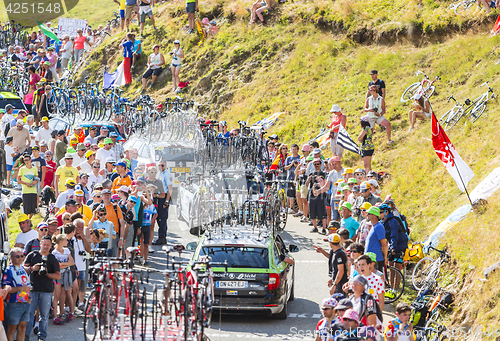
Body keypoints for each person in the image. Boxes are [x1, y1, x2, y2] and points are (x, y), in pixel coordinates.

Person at [24, 235, 61, 341]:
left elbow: (58, 275)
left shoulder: (52, 258)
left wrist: (47, 274)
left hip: (47, 290)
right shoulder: (32, 255)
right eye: (44, 244)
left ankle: (42, 337)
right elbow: (22, 268)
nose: (45, 247)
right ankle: (25, 336)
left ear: (50, 246)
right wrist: (32, 268)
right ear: (40, 244)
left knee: (44, 316)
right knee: (29, 315)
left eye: (47, 245)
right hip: (32, 289)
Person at [3, 247, 29, 341]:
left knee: (22, 328)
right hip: (14, 303)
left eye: (21, 256)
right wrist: (21, 289)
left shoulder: (22, 268)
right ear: (12, 258)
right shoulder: (8, 270)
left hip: (25, 302)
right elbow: (6, 288)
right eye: (17, 256)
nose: (20, 258)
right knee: (12, 329)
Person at [51, 234, 75, 325]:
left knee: (68, 293)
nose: (67, 242)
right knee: (57, 296)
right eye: (65, 240)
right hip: (58, 275)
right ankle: (55, 316)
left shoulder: (67, 250)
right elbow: (56, 266)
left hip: (66, 274)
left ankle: (71, 313)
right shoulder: (54, 252)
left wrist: (61, 264)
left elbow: (72, 262)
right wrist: (66, 264)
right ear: (61, 241)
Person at [365, 206, 388, 272]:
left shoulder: (378, 226)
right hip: (370, 259)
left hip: (376, 260)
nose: (367, 215)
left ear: (374, 215)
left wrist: (385, 257)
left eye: (369, 213)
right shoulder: (373, 226)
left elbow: (384, 244)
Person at [307, 159, 327, 234]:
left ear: (320, 164)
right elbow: (306, 185)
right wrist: (309, 179)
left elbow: (325, 184)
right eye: (315, 164)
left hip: (321, 195)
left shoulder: (324, 173)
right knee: (312, 211)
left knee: (322, 211)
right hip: (312, 195)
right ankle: (315, 227)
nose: (316, 165)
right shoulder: (311, 173)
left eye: (318, 163)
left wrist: (318, 180)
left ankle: (324, 228)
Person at [18, 154, 39, 218]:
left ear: (31, 160)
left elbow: (37, 178)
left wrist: (35, 181)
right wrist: (25, 183)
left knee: (33, 209)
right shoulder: (22, 169)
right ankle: (26, 220)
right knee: (26, 210)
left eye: (27, 160)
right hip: (25, 191)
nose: (26, 161)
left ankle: (29, 220)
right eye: (25, 160)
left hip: (33, 190)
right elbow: (18, 180)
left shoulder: (35, 169)